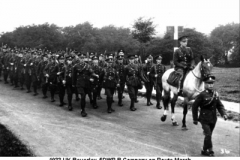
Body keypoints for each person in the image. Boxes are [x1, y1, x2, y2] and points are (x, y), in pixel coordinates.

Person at [192, 75, 228, 157]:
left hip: (213, 119)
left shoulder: (215, 94)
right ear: (205, 84)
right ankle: (210, 150)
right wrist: (195, 119)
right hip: (204, 119)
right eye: (208, 83)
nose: (210, 85)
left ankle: (205, 149)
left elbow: (219, 105)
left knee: (209, 135)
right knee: (208, 134)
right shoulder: (202, 95)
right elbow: (194, 106)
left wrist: (224, 114)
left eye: (212, 83)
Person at [72, 53, 93, 117]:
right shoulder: (76, 66)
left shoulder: (88, 65)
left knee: (84, 96)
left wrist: (91, 78)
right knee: (83, 96)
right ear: (79, 59)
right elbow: (74, 76)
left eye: (83, 58)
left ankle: (83, 108)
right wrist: (73, 83)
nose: (82, 59)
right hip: (79, 83)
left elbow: (90, 73)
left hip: (86, 83)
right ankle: (83, 110)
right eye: (81, 58)